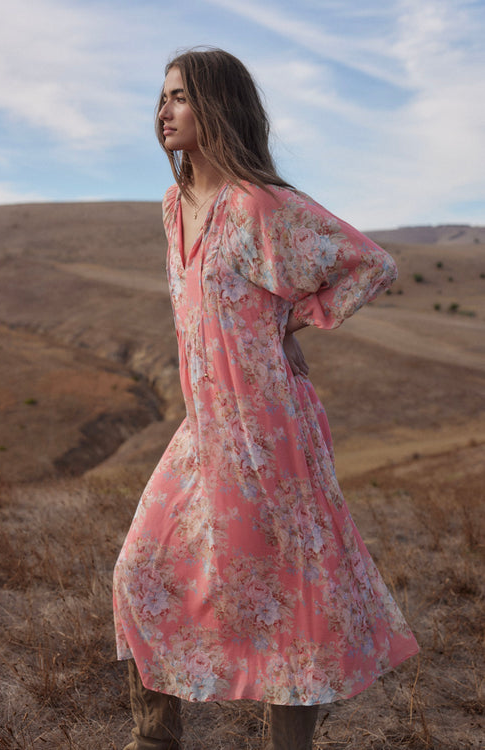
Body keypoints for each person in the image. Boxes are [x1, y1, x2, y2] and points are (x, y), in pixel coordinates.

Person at [113, 48, 419, 750]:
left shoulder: (258, 206)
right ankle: (154, 737)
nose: (164, 111)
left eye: (180, 96)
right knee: (142, 567)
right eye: (161, 97)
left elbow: (372, 263)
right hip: (204, 426)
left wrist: (296, 317)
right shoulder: (174, 206)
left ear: (217, 107)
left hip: (270, 427)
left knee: (292, 597)